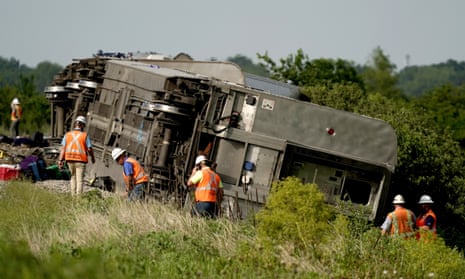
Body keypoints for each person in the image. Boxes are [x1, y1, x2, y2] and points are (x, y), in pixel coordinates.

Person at [58, 116, 95, 196]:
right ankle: (79, 199)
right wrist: (92, 157)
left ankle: (73, 196)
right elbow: (89, 149)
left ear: (75, 124)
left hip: (70, 160)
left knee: (73, 178)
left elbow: (63, 149)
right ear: (82, 125)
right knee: (80, 180)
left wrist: (60, 160)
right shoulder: (85, 136)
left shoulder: (67, 135)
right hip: (80, 161)